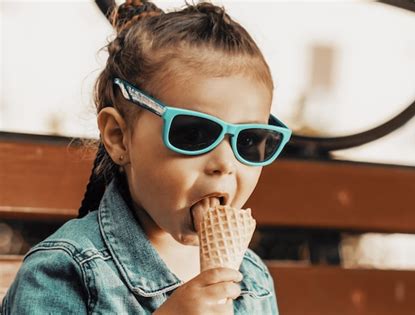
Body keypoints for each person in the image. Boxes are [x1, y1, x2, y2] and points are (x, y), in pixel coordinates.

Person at [2, 1, 292, 314]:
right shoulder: (66, 272)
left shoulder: (253, 278)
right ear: (118, 137)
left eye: (250, 140)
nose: (224, 163)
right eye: (194, 134)